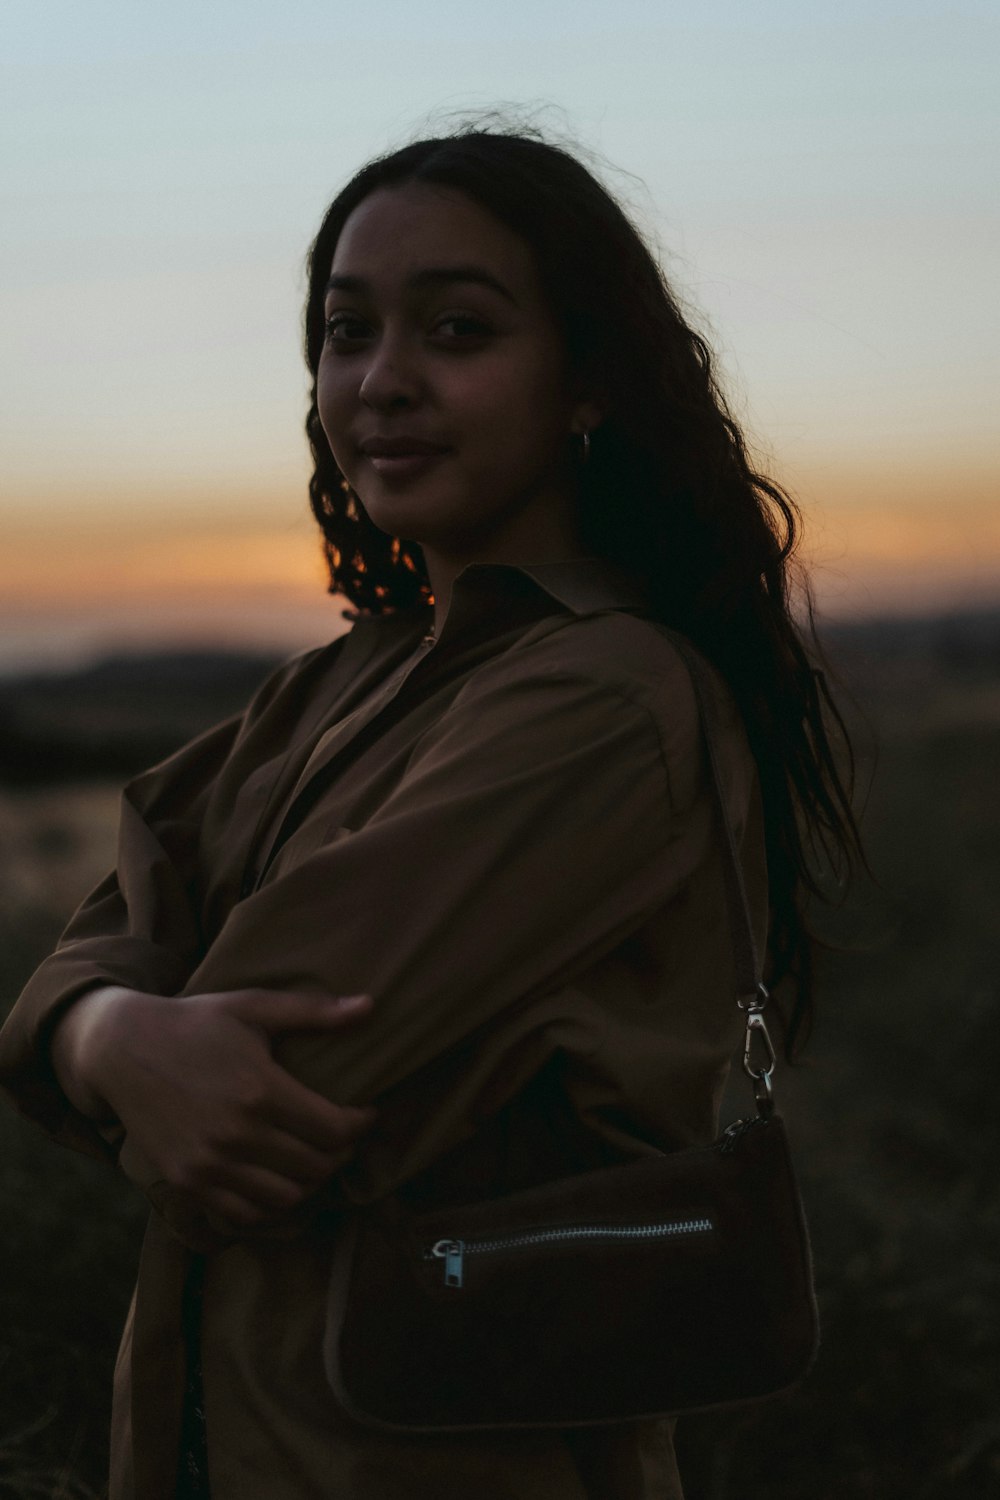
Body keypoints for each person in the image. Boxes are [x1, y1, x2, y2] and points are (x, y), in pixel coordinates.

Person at [0, 123, 859, 1500]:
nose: (383, 382)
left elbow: (253, 1060)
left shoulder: (607, 697)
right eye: (347, 332)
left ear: (584, 377)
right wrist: (106, 1029)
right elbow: (106, 933)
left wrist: (105, 1034)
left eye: (457, 330)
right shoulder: (334, 683)